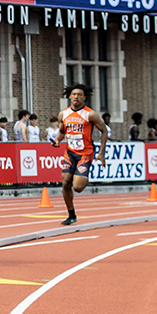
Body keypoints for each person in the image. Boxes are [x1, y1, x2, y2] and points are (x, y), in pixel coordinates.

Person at [57, 82, 109, 227]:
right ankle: (71, 215)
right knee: (65, 183)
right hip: (70, 152)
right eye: (74, 94)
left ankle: (83, 175)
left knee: (78, 188)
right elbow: (62, 132)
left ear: (84, 97)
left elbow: (104, 131)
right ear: (69, 97)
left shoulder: (90, 114)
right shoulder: (63, 113)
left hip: (85, 153)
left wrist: (101, 153)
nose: (76, 97)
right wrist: (56, 140)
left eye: (79, 95)